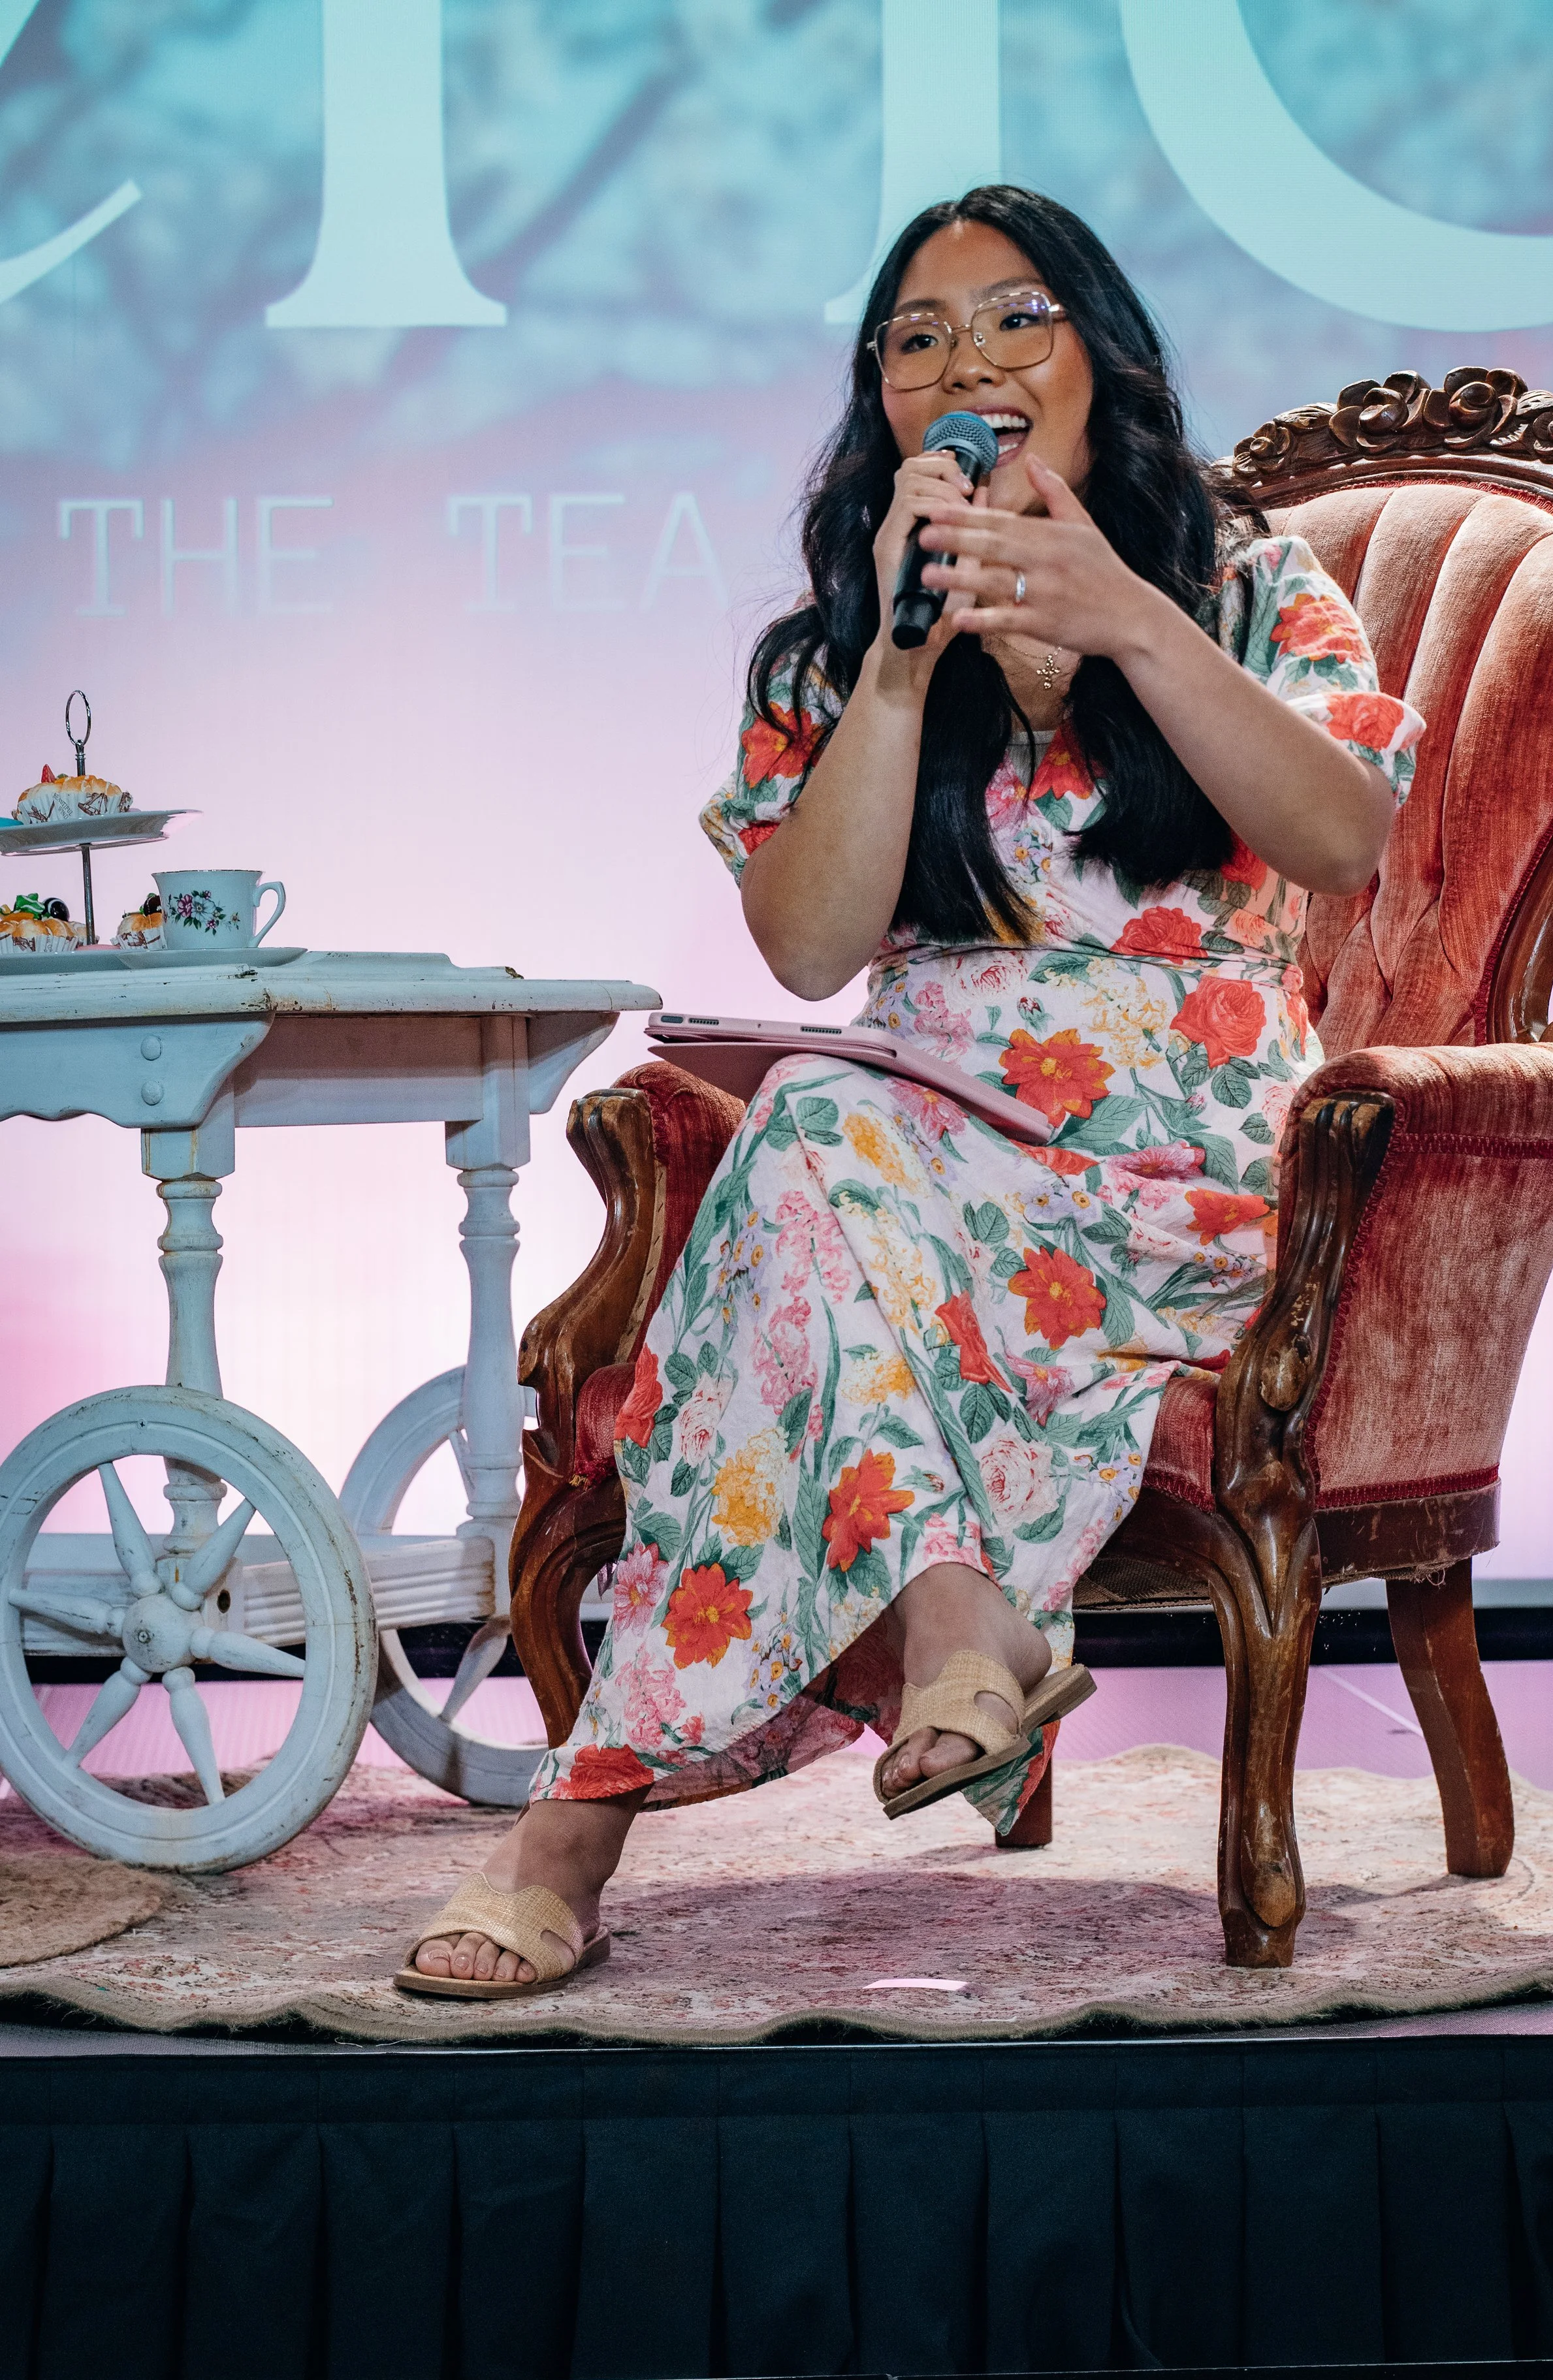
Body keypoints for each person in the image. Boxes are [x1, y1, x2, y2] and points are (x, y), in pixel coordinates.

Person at [400, 184, 1421, 1999]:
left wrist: (1120, 614)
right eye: (917, 337)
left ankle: (573, 1837)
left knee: (801, 1195)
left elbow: (1337, 834)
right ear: (883, 398)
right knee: (816, 1136)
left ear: (1100, 356)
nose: (967, 362)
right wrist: (894, 661)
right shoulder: (828, 650)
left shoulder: (1251, 590)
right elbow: (808, 949)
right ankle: (957, 1632)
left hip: (1175, 1183)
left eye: (1013, 319)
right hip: (926, 1162)